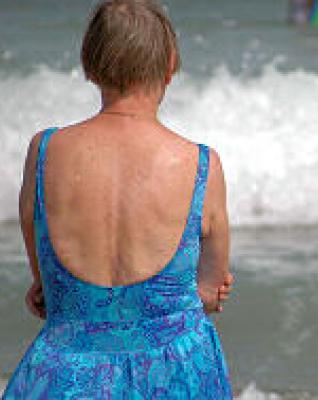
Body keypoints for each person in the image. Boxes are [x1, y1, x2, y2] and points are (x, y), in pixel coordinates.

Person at [3, 0, 234, 398]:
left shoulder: (44, 152)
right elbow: (210, 292)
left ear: (90, 64)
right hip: (173, 372)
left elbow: (45, 283)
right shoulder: (200, 165)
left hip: (67, 367)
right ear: (170, 65)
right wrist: (201, 296)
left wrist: (46, 289)